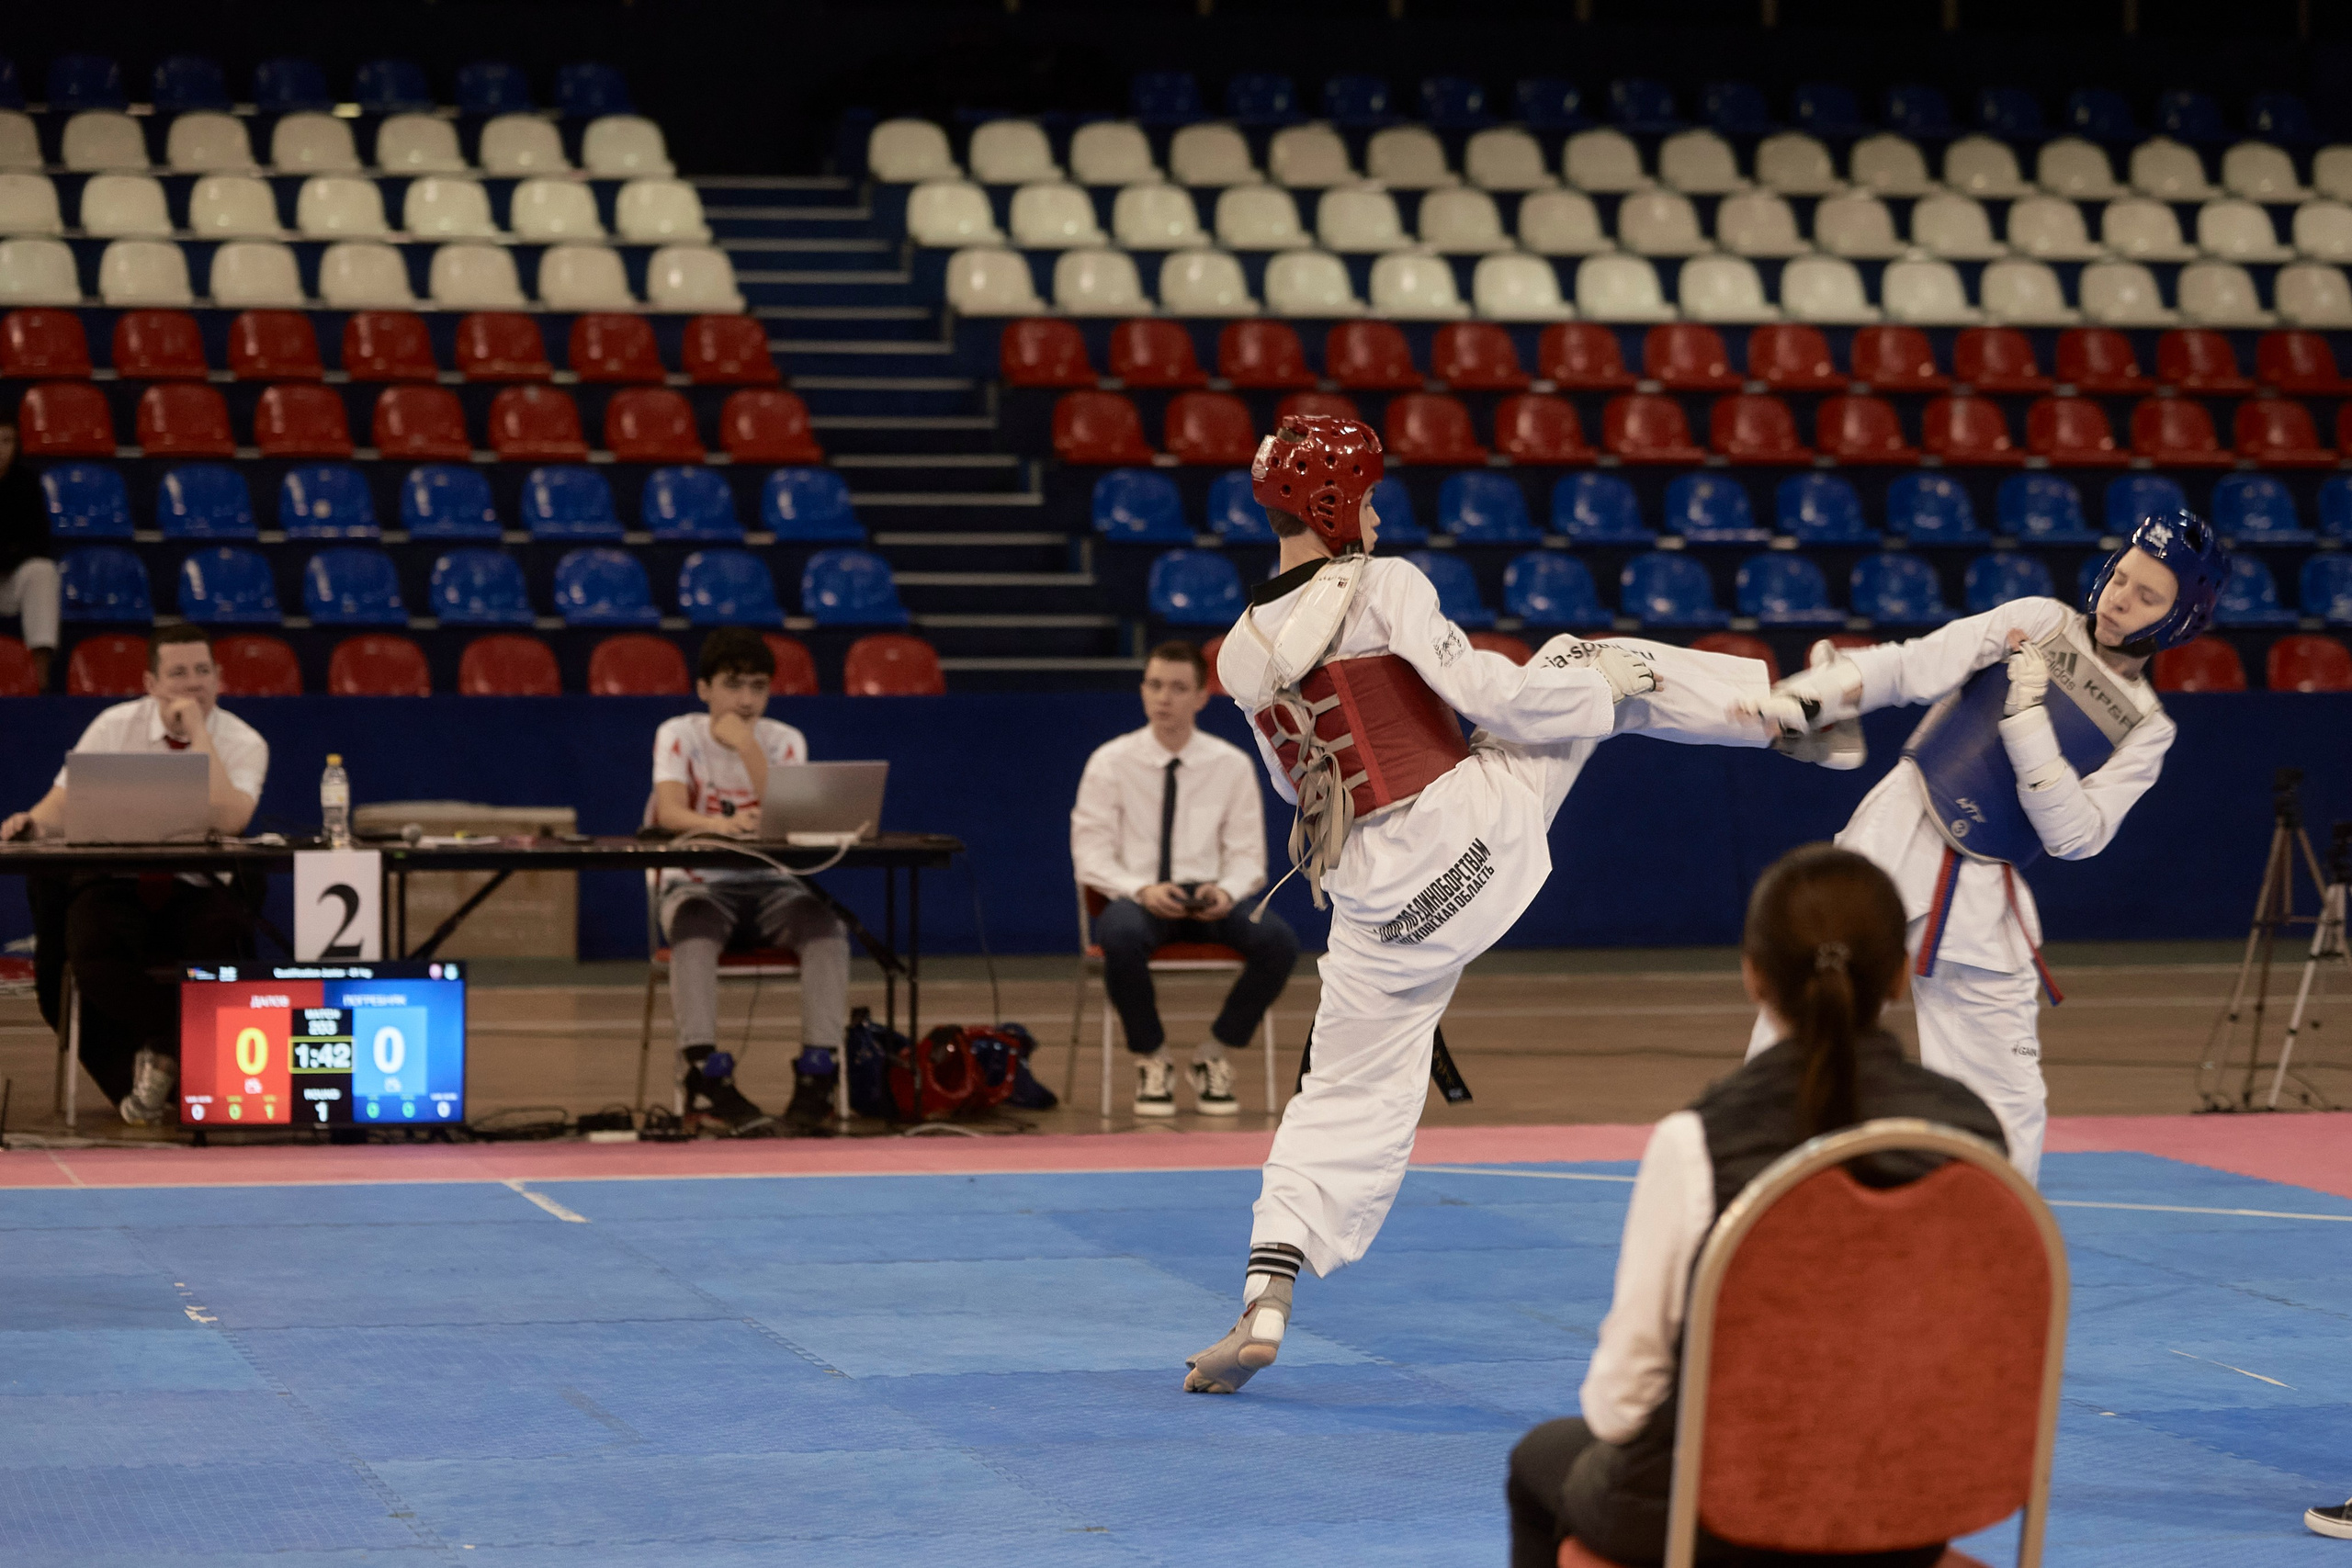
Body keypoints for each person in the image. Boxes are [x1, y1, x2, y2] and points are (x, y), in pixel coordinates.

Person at [1188, 413, 1781, 1395]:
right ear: (1336, 504)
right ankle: (1786, 713)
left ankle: (1265, 1296)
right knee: (1581, 659)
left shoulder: (1237, 658)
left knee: (1333, 1099)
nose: (1376, 514)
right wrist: (1605, 688)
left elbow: (1300, 795)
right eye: (1368, 496)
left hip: (1377, 911)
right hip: (1475, 838)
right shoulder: (1387, 584)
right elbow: (1492, 700)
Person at [1507, 843, 2007, 1568]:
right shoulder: (1973, 1135)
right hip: (1903, 1510)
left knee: (1539, 1462)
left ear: (1753, 975)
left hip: (1712, 1516)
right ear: (1902, 971)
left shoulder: (1697, 1142)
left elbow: (1622, 1404)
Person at [1745, 509, 2225, 1185]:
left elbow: (2075, 836)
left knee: (2005, 1104)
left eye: (2148, 595)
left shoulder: (2147, 729)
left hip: (1981, 899)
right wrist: (1818, 692)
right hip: (1892, 838)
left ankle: (1989, 1256)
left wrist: (2028, 725)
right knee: (1800, 1034)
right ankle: (1748, 1201)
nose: (2121, 597)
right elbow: (1914, 665)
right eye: (2121, 577)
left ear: (2182, 618)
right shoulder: (2040, 619)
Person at [2, 625, 268, 1122]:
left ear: (220, 679)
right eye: (178, 673)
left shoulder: (243, 741)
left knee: (221, 944)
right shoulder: (113, 727)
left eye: (202, 672)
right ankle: (167, 1047)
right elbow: (63, 800)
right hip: (116, 884)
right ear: (150, 683)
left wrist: (200, 734)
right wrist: (32, 821)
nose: (192, 684)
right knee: (90, 948)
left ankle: (166, 1065)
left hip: (198, 890)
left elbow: (231, 818)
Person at [1071, 639, 1295, 1116]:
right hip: (1141, 894)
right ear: (1142, 690)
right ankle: (1153, 1060)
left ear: (1200, 697)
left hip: (1210, 897)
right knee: (1121, 935)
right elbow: (1089, 855)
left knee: (1277, 941)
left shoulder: (1230, 765)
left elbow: (1249, 857)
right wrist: (1141, 890)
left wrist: (1226, 891)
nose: (1163, 698)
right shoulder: (1109, 762)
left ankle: (1214, 1054)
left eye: (1177, 688)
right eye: (1154, 685)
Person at [650, 627, 850, 1134]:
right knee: (692, 929)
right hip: (699, 888)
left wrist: (747, 748)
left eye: (758, 687)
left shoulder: (784, 741)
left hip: (774, 890)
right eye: (733, 684)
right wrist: (718, 825)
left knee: (826, 926)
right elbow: (670, 812)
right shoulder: (678, 733)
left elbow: (791, 819)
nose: (745, 699)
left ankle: (818, 1071)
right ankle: (702, 1071)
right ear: (704, 689)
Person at [0, 419, 59, 690]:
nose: (0, 449)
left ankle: (40, 678)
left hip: (12, 576)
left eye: (6, 441)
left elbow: (38, 541)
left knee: (42, 572)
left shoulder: (27, 482)